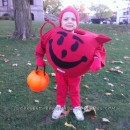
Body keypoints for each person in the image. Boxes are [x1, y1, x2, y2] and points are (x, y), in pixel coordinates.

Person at [35, 6, 106, 121]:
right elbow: (42, 44)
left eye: (73, 19)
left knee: (74, 89)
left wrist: (97, 58)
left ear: (77, 22)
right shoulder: (53, 33)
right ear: (61, 21)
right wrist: (39, 57)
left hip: (75, 72)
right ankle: (60, 105)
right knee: (61, 88)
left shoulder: (84, 38)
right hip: (60, 70)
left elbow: (97, 47)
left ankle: (76, 106)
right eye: (66, 19)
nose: (69, 21)